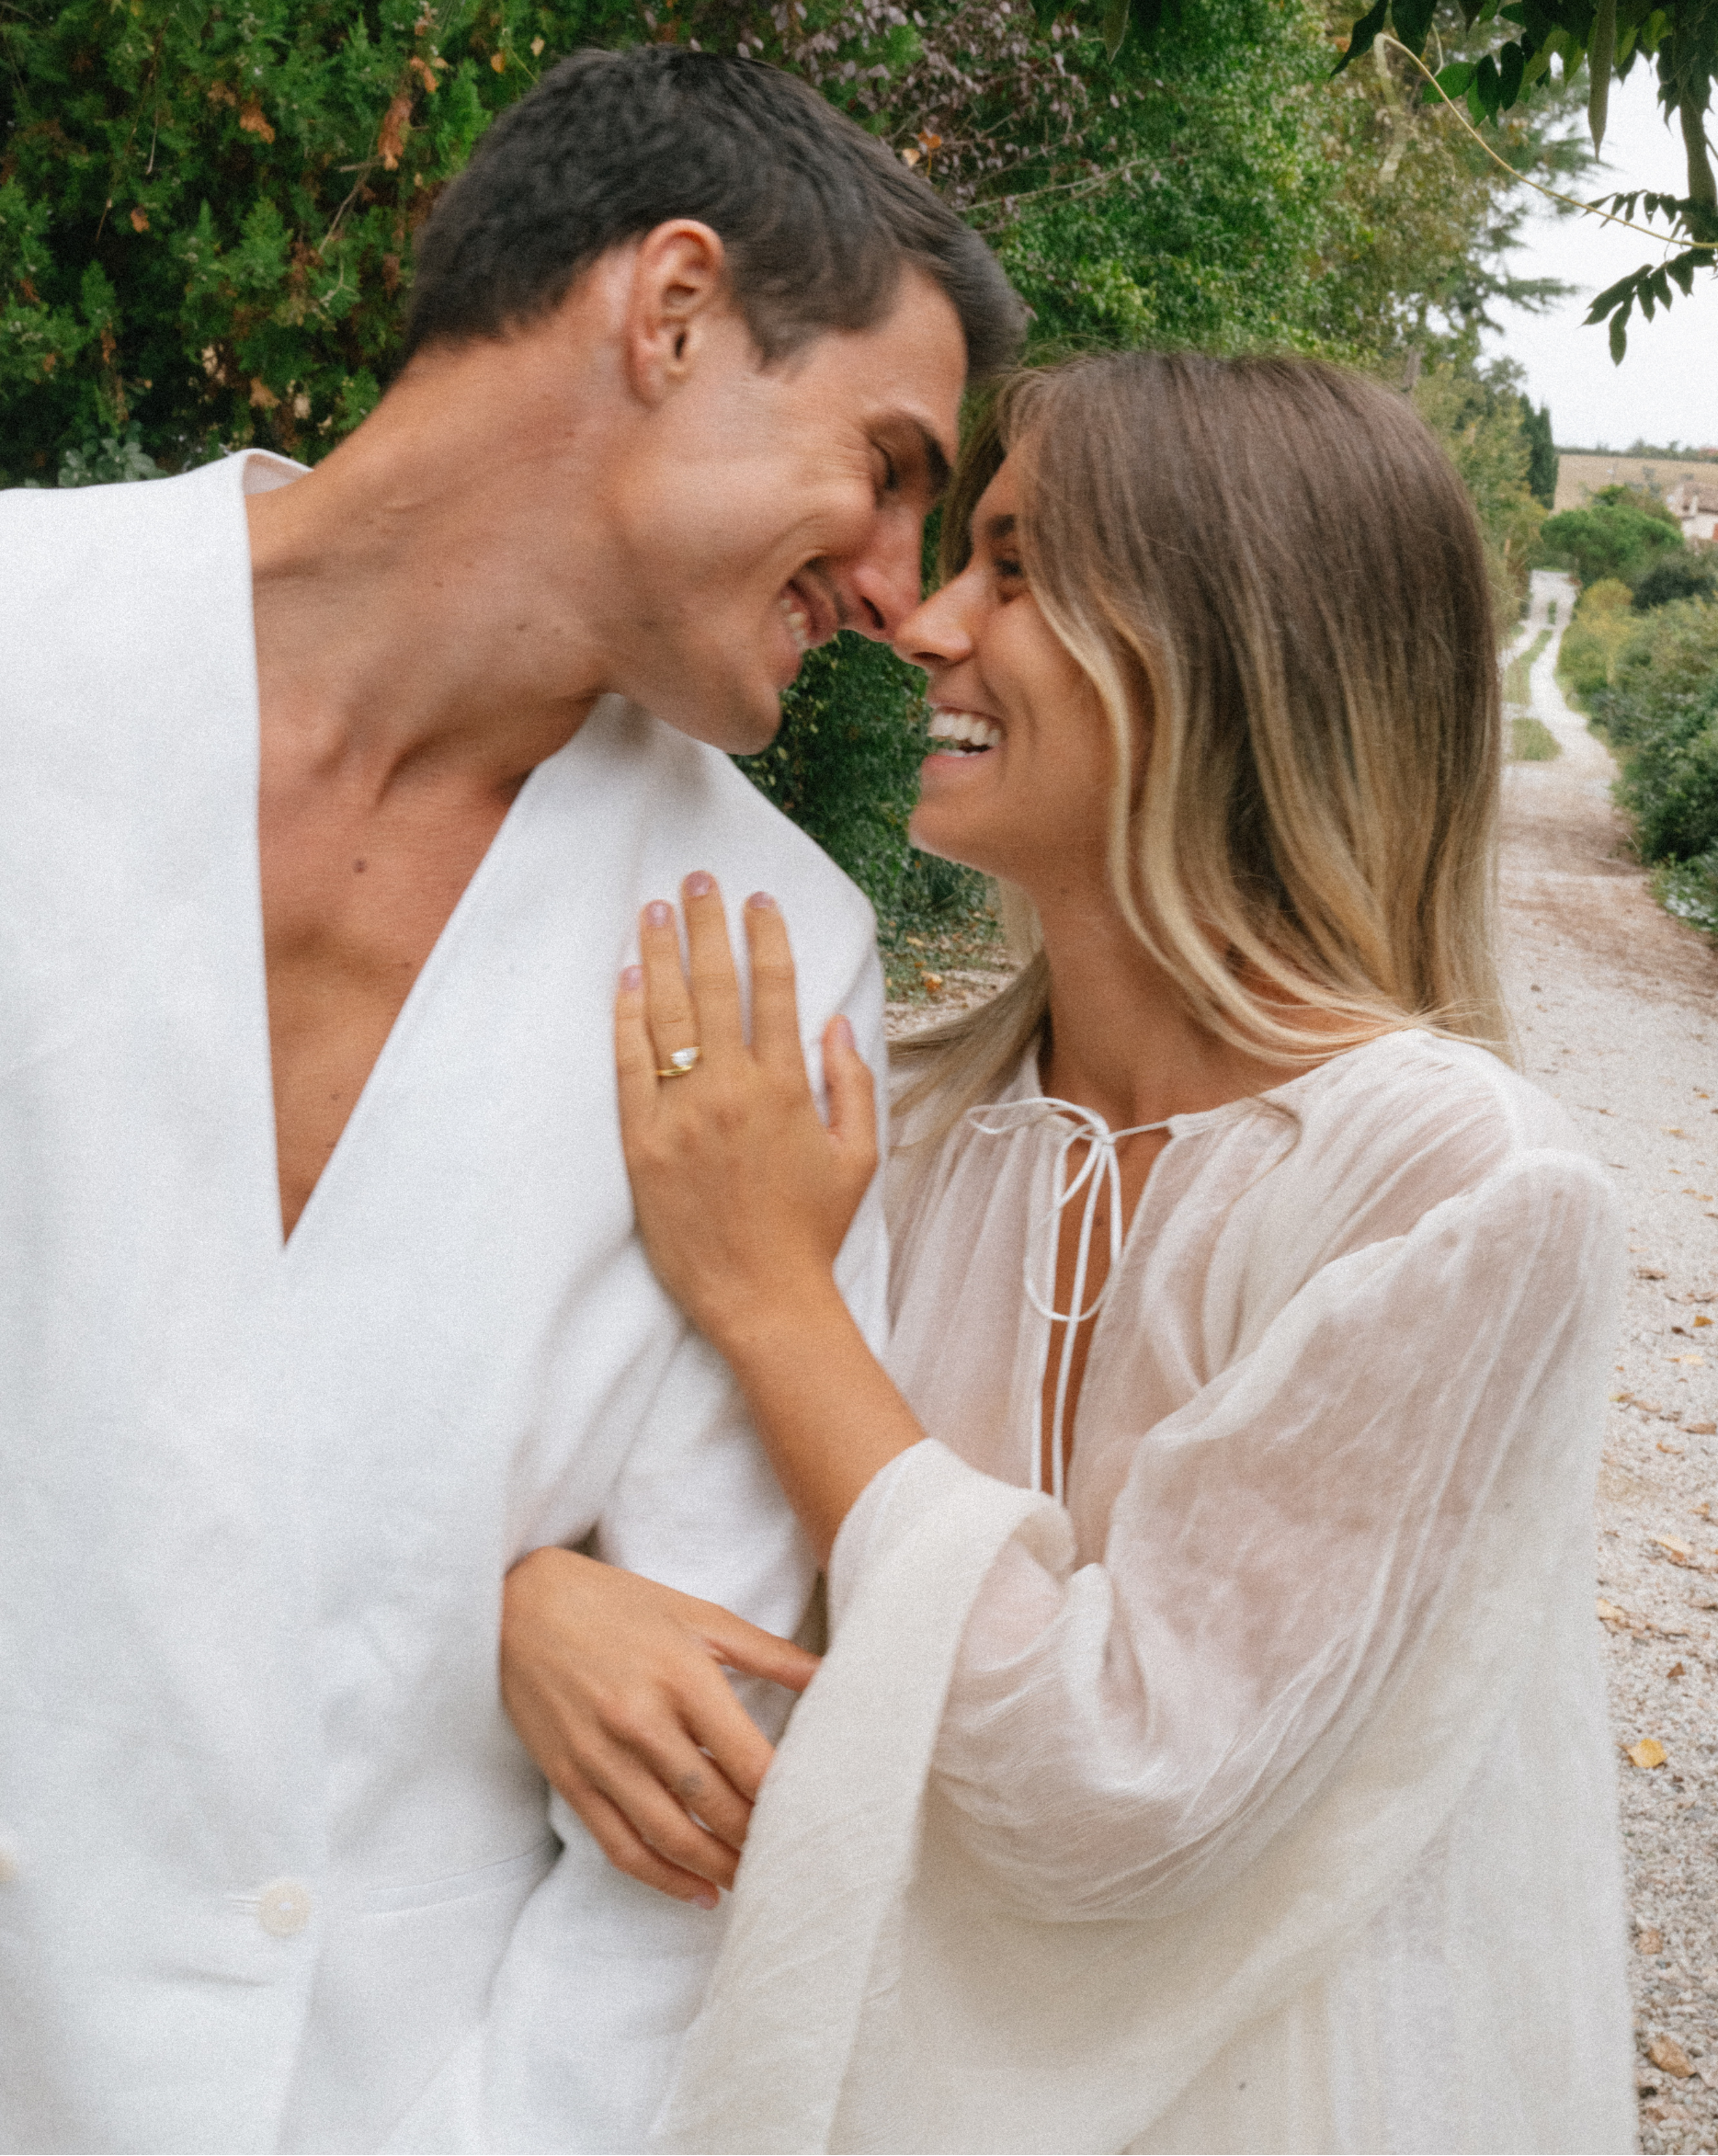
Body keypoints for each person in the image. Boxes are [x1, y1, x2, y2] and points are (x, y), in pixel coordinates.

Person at [0, 50, 1024, 2150]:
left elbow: (706, 1753)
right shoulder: (27, 653)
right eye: (888, 466)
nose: (900, 591)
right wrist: (479, 1595)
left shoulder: (769, 943)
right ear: (672, 309)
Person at [497, 351, 1637, 2152]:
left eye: (1015, 569)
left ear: (1232, 646)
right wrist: (533, 1601)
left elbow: (1120, 1786)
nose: (923, 622)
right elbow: (718, 1548)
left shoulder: (1462, 1186)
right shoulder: (903, 1121)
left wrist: (776, 1300)